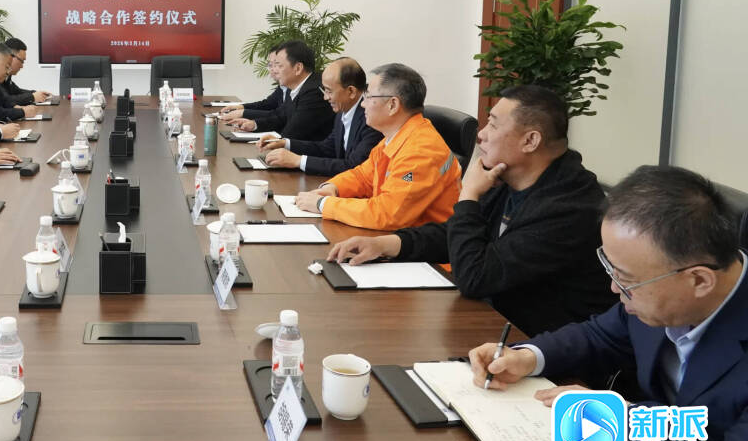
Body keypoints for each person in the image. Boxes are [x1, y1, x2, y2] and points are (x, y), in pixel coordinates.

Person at [469, 166, 748, 441]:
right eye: (610, 268)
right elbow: (599, 335)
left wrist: (619, 417)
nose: (615, 289)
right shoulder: (663, 287)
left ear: (700, 280)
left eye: (626, 279)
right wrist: (528, 358)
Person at [327, 85, 613, 335]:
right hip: (497, 324)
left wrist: (469, 196)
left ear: (530, 141)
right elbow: (455, 235)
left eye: (493, 126)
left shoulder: (568, 208)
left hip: (544, 349)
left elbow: (475, 278)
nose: (481, 135)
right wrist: (386, 244)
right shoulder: (510, 176)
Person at [294, 63, 461, 230]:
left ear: (392, 105)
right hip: (395, 236)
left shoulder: (421, 151)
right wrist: (333, 188)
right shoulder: (396, 137)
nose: (362, 104)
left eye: (368, 97)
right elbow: (363, 176)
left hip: (424, 243)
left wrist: (324, 204)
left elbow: (387, 214)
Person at [257, 56, 382, 175]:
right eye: (324, 90)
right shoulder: (343, 109)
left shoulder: (371, 118)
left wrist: (298, 161)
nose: (325, 97)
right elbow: (327, 148)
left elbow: (354, 167)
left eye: (329, 91)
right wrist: (285, 143)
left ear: (351, 91)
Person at [224, 40, 334, 141]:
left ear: (298, 68)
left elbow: (291, 134)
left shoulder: (314, 92)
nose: (275, 71)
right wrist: (254, 124)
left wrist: (273, 140)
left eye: (279, 65)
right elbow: (280, 116)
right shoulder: (297, 87)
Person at [218, 48, 284, 121]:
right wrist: (241, 107)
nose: (272, 69)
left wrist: (243, 113)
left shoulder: (291, 91)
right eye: (270, 64)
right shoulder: (283, 87)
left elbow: (280, 116)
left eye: (277, 64)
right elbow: (268, 104)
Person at [1, 37, 52, 105]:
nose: (22, 66)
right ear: (10, 56)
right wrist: (32, 97)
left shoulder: (7, 76)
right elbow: (5, 100)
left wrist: (36, 93)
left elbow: (17, 91)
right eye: (21, 61)